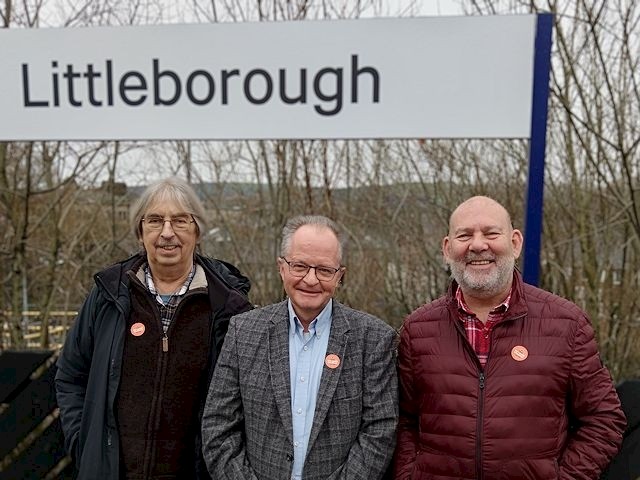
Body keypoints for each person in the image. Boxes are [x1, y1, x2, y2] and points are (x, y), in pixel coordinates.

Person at [394, 195, 626, 480]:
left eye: (491, 233)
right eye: (464, 235)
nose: (478, 245)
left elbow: (604, 418)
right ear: (447, 248)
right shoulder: (417, 330)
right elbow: (402, 420)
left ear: (515, 243)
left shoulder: (567, 324)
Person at [55, 178, 253, 480]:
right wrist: (85, 445)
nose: (167, 232)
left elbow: (247, 401)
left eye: (180, 220)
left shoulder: (228, 306)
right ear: (140, 231)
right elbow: (71, 375)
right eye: (155, 220)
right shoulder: (109, 296)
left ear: (198, 231)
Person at [201, 214, 398, 480]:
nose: (311, 279)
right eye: (300, 266)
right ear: (281, 267)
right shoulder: (243, 332)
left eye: (324, 270)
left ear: (340, 276)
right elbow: (218, 426)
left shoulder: (374, 339)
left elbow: (380, 431)